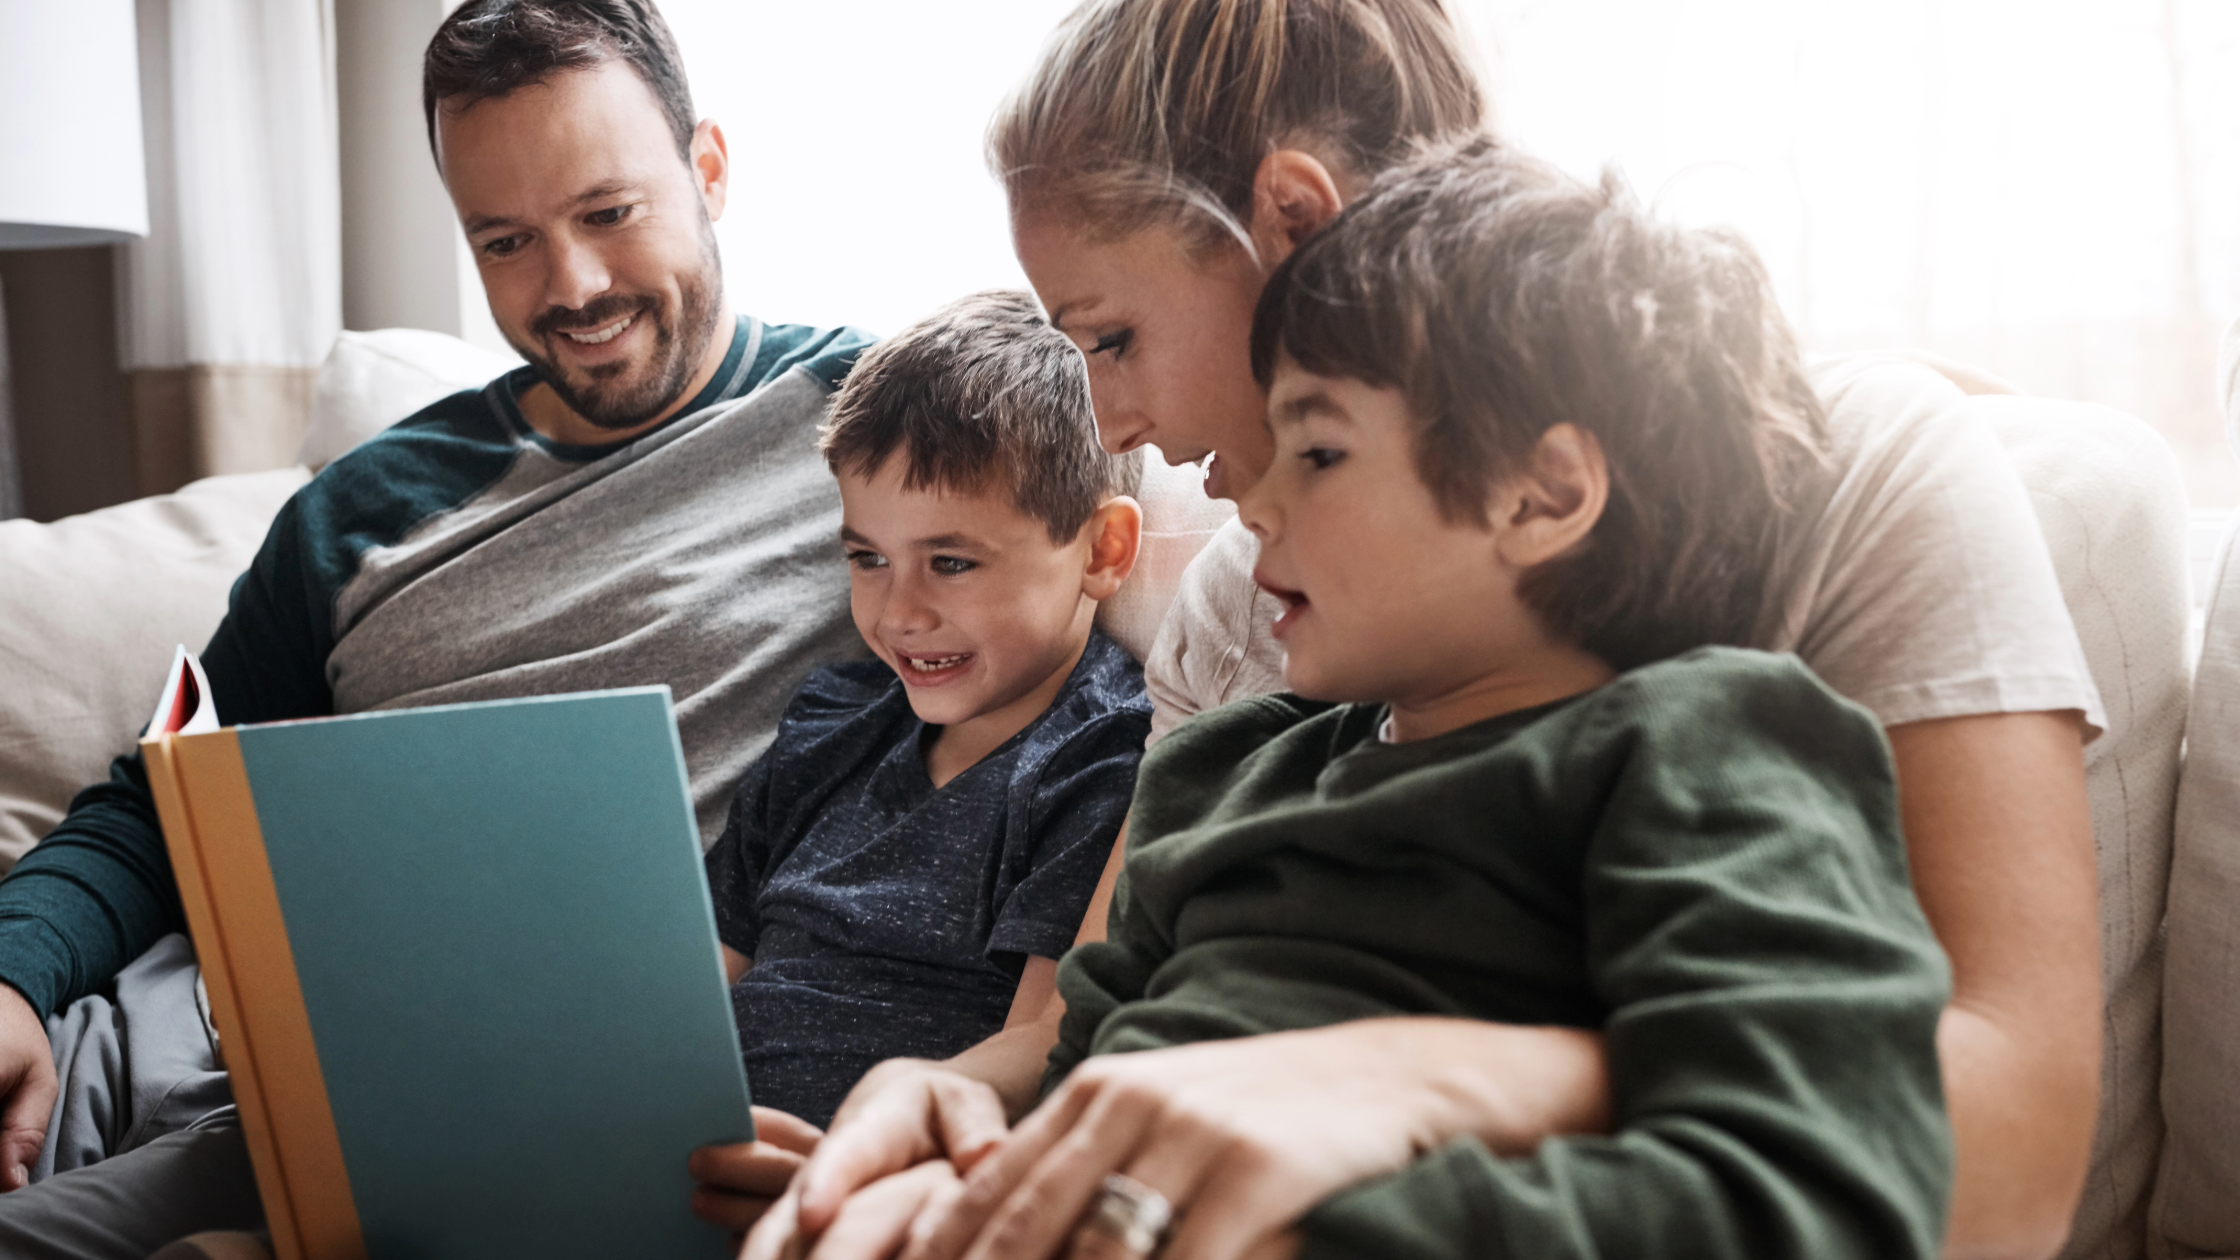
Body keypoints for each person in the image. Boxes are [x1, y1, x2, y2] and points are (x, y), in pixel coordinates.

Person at [744, 2, 2106, 1258]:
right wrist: (937, 1116)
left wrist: (1420, 1089)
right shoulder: (1256, 674)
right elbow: (1081, 1043)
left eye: (1108, 337)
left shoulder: (1733, 678)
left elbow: (1954, 1154)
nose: (1106, 427)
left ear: (1288, 220)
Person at [0, 3, 1050, 1256]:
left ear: (708, 169)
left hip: (645, 1110)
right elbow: (157, 799)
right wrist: (13, 975)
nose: (574, 287)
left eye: (609, 213)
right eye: (505, 241)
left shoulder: (880, 440)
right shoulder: (359, 513)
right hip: (313, 1074)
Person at [699, 289, 1150, 1134]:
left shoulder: (1099, 756)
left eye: (949, 562)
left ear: (1102, 551)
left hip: (890, 1167)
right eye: (869, 558)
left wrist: (867, 1150)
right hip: (699, 1139)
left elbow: (1046, 1043)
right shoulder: (831, 720)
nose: (899, 613)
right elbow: (703, 977)